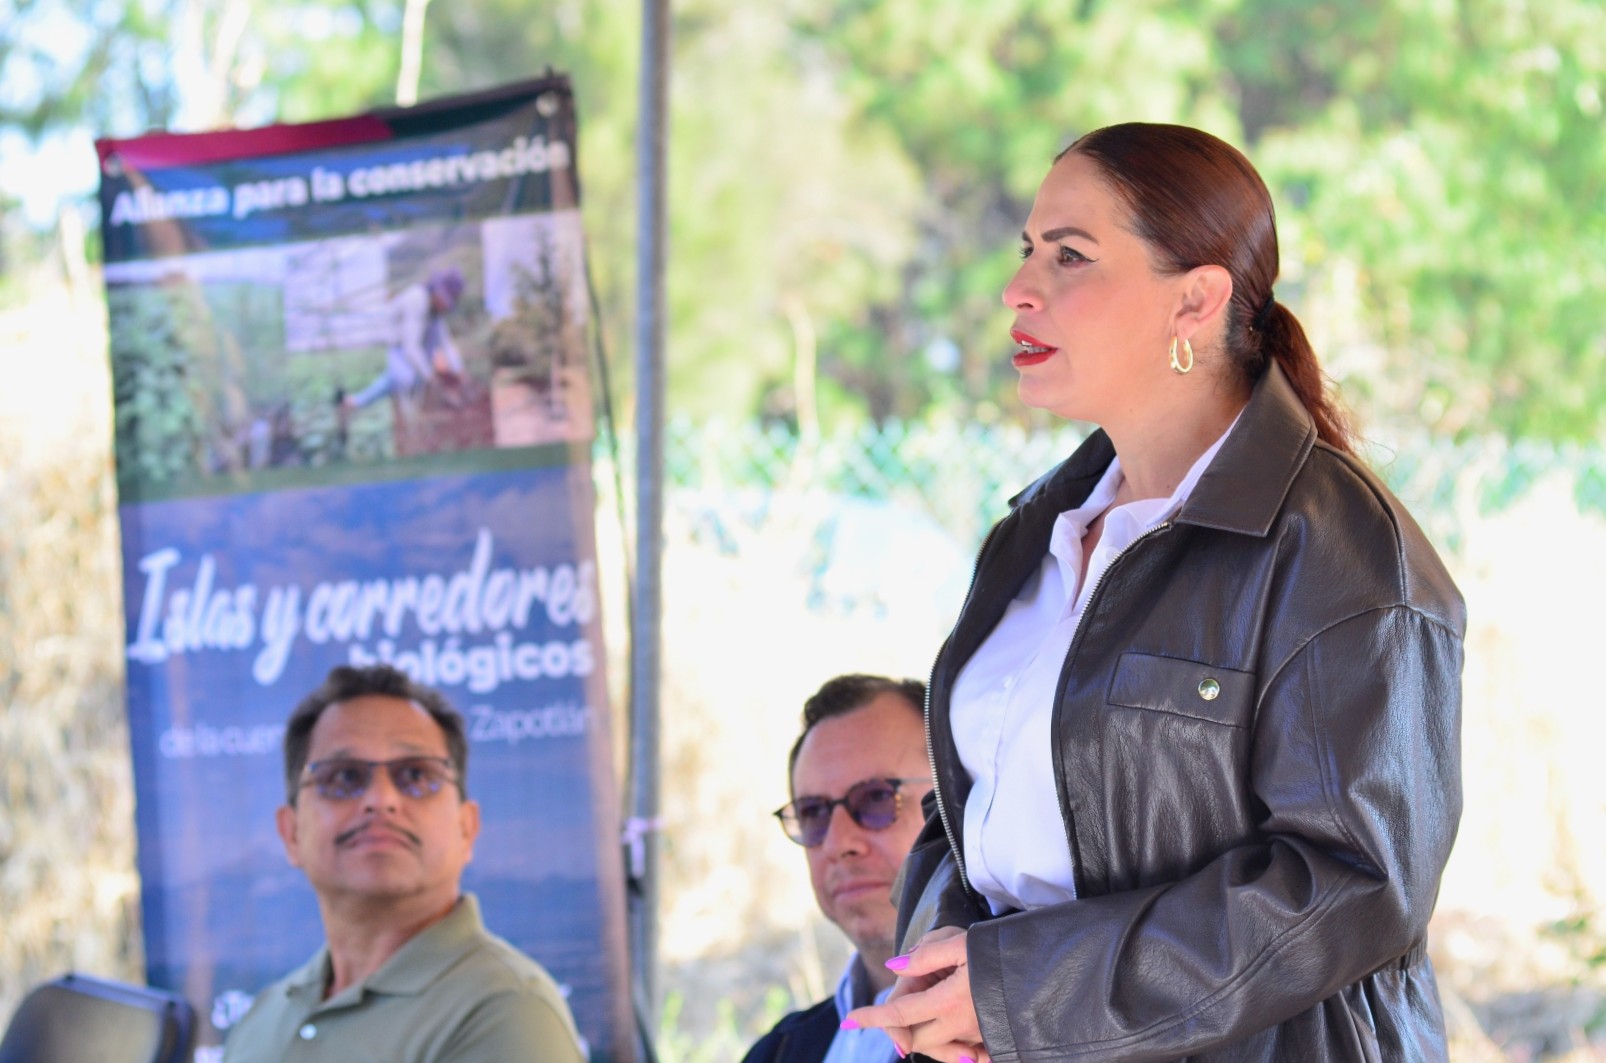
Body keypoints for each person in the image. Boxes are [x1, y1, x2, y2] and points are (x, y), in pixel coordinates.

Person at [844, 123, 1465, 1061]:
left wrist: (1021, 990)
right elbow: (970, 811)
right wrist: (946, 979)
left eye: (1069, 255)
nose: (1018, 289)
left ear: (1196, 300)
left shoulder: (1341, 552)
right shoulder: (1034, 533)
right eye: (1027, 249)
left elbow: (1353, 882)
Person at [222, 664, 585, 1063]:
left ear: (466, 828)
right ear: (291, 833)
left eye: (416, 775)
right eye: (343, 778)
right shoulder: (263, 1018)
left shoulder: (507, 1011)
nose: (381, 800)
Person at [742, 675, 933, 1063]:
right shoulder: (775, 1053)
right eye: (813, 812)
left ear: (956, 801)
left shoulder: (1030, 1038)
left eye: (876, 798)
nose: (837, 843)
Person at [342, 266, 467, 417]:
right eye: (444, 299)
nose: (445, 305)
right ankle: (360, 402)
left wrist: (458, 369)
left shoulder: (435, 312)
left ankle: (362, 401)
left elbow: (445, 343)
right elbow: (411, 348)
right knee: (405, 377)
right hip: (396, 342)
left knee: (415, 374)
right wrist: (429, 376)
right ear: (436, 290)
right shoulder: (416, 300)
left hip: (413, 345)